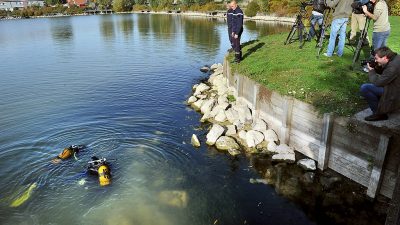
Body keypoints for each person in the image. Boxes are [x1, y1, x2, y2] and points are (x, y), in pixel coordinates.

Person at [360, 46, 400, 121]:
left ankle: (379, 114)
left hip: (396, 92)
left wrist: (371, 71)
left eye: (376, 58)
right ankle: (380, 103)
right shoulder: (396, 58)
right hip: (396, 85)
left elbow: (378, 83)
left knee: (365, 88)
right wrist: (377, 66)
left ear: (384, 57)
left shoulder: (393, 67)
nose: (375, 61)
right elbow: (386, 73)